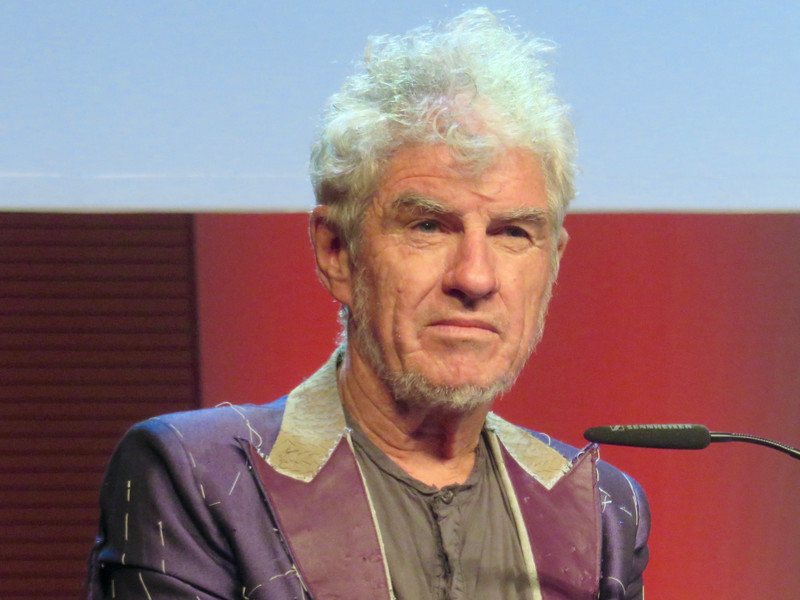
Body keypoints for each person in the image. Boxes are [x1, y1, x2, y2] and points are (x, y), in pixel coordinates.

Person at [87, 8, 649, 600]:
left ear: (552, 263)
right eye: (429, 226)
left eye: (513, 232)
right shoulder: (199, 476)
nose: (475, 277)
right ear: (337, 252)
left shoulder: (604, 510)